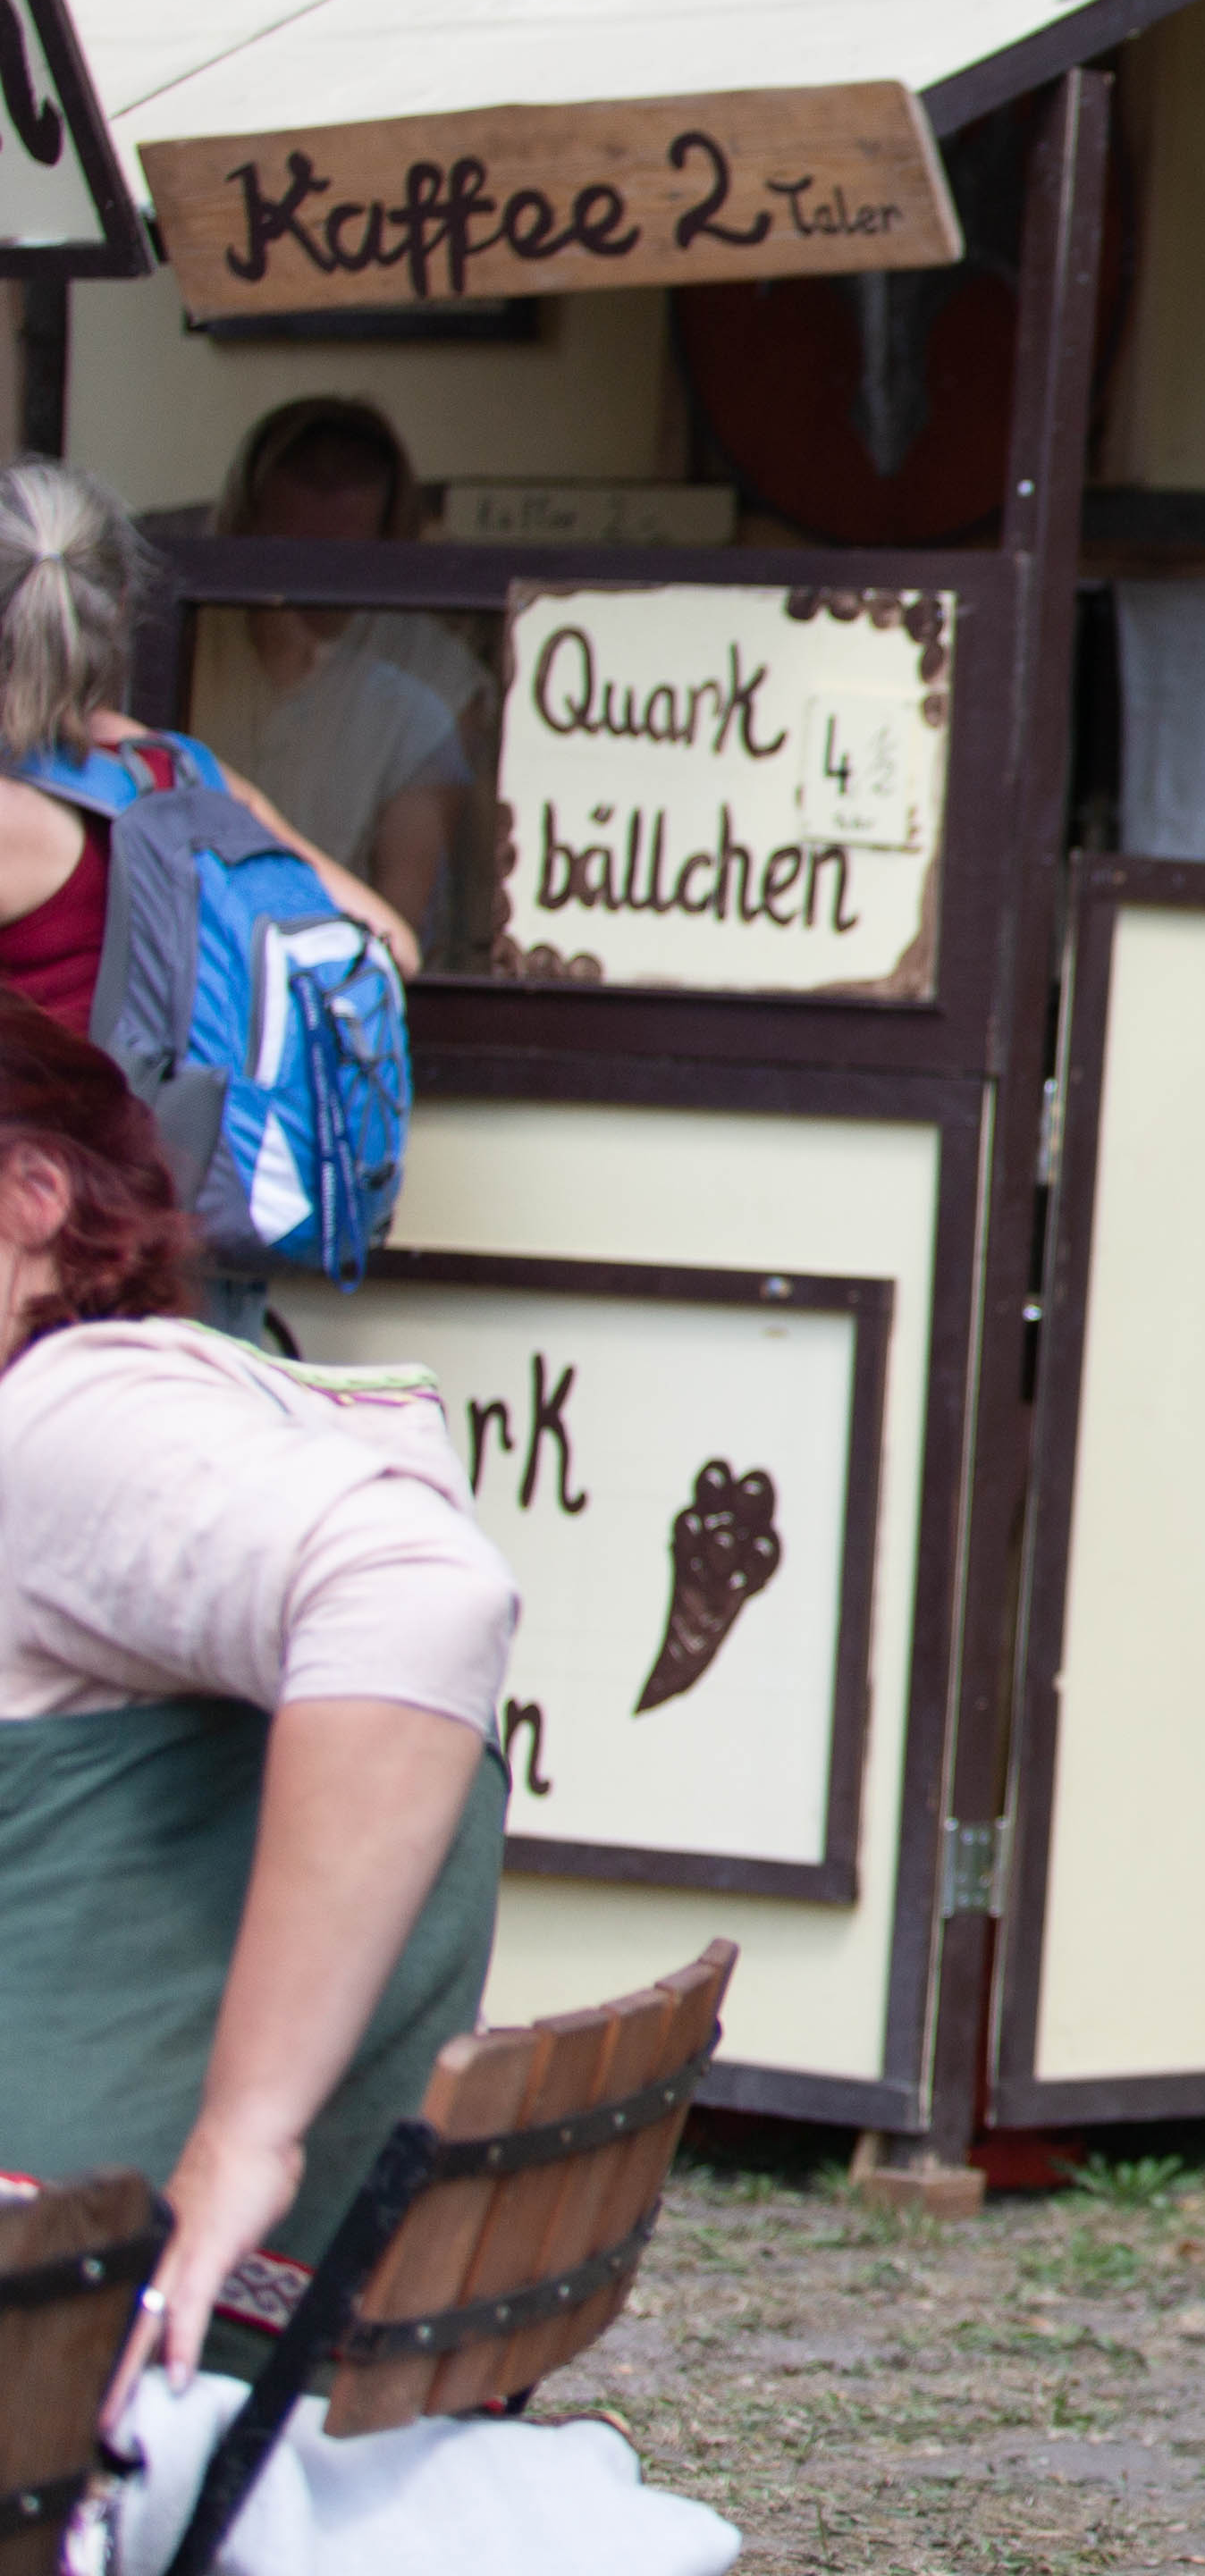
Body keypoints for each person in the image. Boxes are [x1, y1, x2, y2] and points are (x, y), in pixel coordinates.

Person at [0, 991, 510, 2395]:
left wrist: (245, 2135)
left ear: (35, 1197)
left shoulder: (72, 1421)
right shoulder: (186, 1403)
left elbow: (422, 1593)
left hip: (83, 2314)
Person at [0, 464, 418, 1349]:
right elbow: (391, 943)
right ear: (117, 611)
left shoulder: (16, 818)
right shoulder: (182, 775)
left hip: (40, 1280)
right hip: (189, 1270)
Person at [207, 400, 485, 959]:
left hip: (330, 973)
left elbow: (402, 918)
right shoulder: (194, 632)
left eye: (354, 476)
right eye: (308, 474)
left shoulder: (435, 681)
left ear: (389, 516)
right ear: (254, 506)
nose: (330, 496)